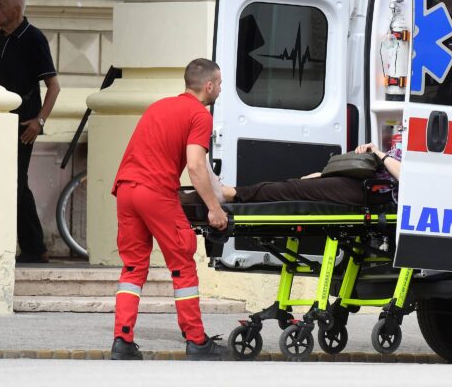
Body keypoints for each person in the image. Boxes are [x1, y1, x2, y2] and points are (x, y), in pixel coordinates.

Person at [110, 58, 229, 361]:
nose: (221, 88)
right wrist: (214, 209)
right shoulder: (199, 115)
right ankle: (196, 340)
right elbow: (196, 166)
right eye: (219, 83)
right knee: (182, 263)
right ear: (209, 85)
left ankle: (122, 340)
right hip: (155, 193)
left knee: (133, 267)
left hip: (125, 189)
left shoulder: (158, 106)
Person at [0, 0, 61, 264]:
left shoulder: (33, 38)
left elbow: (54, 86)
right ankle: (0, 241)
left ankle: (34, 248)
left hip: (22, 125)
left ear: (16, 10)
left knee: (16, 183)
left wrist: (39, 121)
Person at [221, 142, 401, 205]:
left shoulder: (416, 155)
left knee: (295, 188)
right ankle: (236, 193)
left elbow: (405, 176)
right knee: (299, 184)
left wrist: (377, 152)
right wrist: (325, 175)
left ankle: (235, 193)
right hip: (362, 178)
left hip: (372, 190)